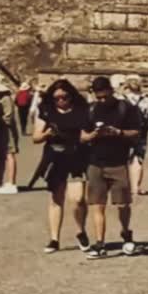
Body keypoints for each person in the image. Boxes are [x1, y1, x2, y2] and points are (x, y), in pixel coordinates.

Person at [81, 76, 141, 259]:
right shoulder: (90, 109)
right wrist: (93, 135)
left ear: (111, 91)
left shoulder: (126, 108)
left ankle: (126, 234)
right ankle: (100, 243)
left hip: (118, 162)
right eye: (98, 97)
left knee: (123, 204)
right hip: (95, 163)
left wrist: (119, 132)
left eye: (105, 97)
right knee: (97, 205)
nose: (102, 101)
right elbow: (82, 136)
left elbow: (137, 132)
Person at [34, 79, 91, 253]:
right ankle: (54, 239)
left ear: (71, 96)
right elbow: (36, 137)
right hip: (55, 156)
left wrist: (87, 137)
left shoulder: (82, 111)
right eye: (56, 98)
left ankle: (81, 231)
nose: (60, 101)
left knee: (78, 199)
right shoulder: (46, 111)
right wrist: (47, 134)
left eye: (64, 97)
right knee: (56, 199)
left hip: (76, 155)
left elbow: (87, 133)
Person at [122, 75, 148, 196]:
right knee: (138, 159)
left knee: (123, 159)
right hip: (141, 132)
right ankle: (135, 187)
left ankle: (124, 186)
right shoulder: (145, 100)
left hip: (123, 133)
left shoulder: (121, 99)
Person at [0, 73, 21, 194]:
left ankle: (11, 182)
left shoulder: (6, 98)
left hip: (6, 130)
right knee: (0, 156)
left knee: (9, 154)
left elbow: (9, 116)